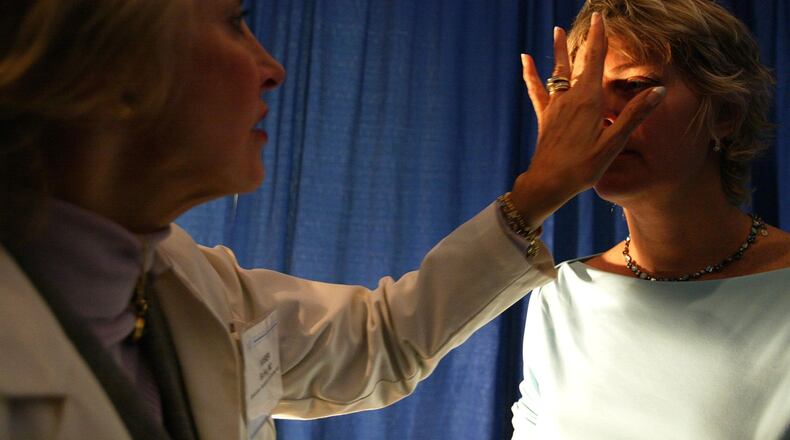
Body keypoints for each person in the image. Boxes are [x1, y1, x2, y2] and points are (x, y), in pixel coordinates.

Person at [0, 1, 663, 439]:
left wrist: (533, 200)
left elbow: (380, 342)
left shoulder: (179, 280)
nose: (272, 68)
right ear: (107, 66)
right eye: (234, 21)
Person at [510, 0, 790, 438]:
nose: (597, 116)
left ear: (725, 113)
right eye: (583, 93)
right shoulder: (562, 297)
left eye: (634, 86)